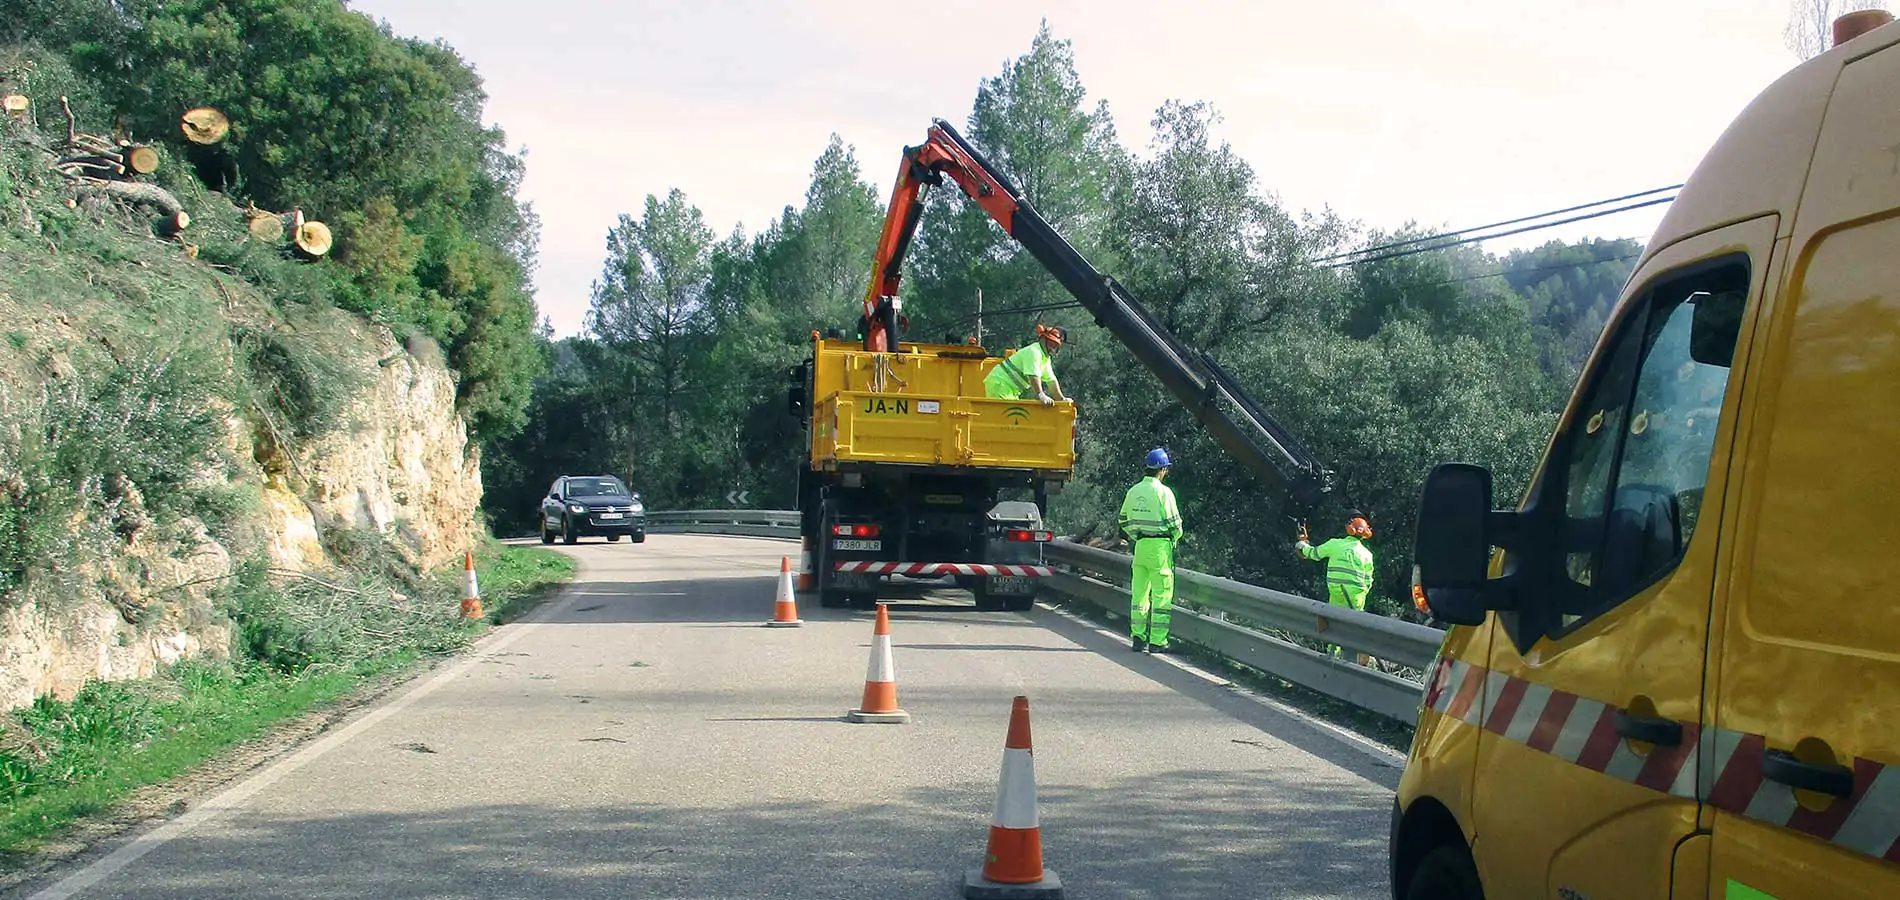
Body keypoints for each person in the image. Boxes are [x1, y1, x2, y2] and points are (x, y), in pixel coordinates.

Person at [1118, 447, 1184, 653]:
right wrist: (1175, 537)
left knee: (1139, 594)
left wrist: (1136, 535)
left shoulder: (1134, 491)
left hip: (1141, 546)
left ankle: (1138, 638)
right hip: (1160, 547)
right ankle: (1158, 641)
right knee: (1162, 594)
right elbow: (1175, 524)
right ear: (1162, 470)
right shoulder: (1164, 492)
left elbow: (1123, 520)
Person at [1295, 511, 1376, 661]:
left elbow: (1312, 553)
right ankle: (1352, 663)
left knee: (1333, 627)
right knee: (1353, 629)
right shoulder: (1367, 555)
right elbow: (1368, 580)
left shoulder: (1334, 544)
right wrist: (1360, 592)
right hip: (1358, 597)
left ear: (1348, 528)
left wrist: (1302, 544)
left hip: (1337, 593)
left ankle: (1332, 658)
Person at [983, 323, 1068, 405]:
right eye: (1051, 343)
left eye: (1055, 345)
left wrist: (1062, 399)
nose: (1052, 347)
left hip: (1010, 389)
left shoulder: (1045, 358)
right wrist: (1041, 395)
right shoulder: (1034, 352)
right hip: (1000, 384)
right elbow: (1033, 376)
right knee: (1006, 417)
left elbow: (1051, 381)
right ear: (1042, 339)